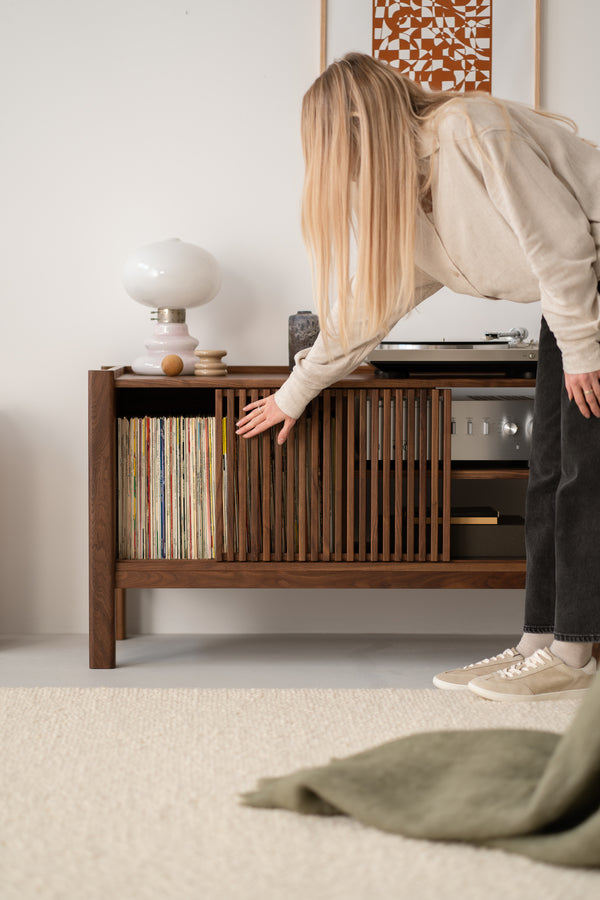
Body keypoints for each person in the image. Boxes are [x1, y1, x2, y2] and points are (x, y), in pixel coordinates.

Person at [235, 51, 600, 701]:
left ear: (357, 123)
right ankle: (538, 643)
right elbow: (366, 310)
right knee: (546, 473)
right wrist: (295, 393)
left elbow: (562, 239)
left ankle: (574, 655)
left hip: (584, 285)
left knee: (585, 473)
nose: (330, 165)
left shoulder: (468, 129)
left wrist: (582, 348)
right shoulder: (410, 200)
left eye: (329, 144)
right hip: (572, 299)